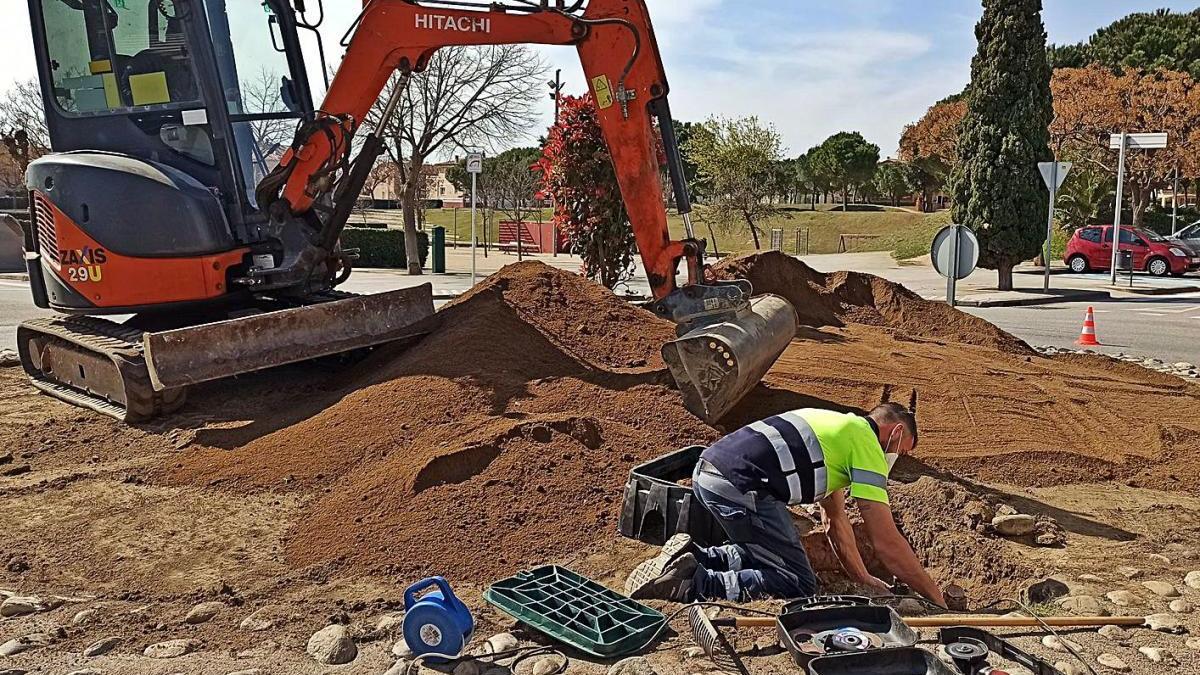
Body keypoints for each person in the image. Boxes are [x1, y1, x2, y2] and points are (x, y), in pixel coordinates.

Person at [624, 403, 947, 607]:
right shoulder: (867, 446)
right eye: (902, 451)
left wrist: (861, 576)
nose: (897, 459)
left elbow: (835, 521)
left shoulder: (836, 428)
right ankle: (693, 582)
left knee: (767, 551)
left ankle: (693, 556)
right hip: (744, 488)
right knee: (796, 582)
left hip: (711, 473)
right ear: (896, 432)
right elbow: (887, 543)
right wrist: (936, 599)